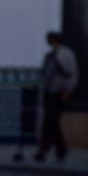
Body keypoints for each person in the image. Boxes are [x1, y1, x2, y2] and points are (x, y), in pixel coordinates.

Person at [36, 31, 78, 161]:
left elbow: (71, 73)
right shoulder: (49, 55)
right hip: (49, 92)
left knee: (52, 121)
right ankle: (49, 148)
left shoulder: (66, 54)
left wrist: (68, 89)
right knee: (50, 121)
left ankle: (52, 148)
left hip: (59, 92)